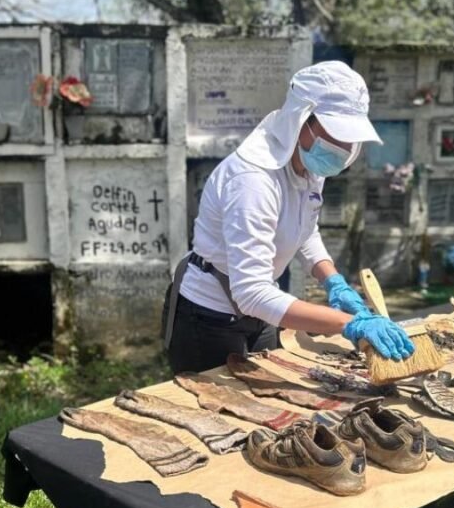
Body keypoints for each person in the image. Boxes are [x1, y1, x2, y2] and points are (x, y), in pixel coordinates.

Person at [163, 61, 416, 373]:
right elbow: (252, 292)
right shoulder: (253, 179)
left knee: (273, 399)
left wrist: (333, 281)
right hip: (208, 315)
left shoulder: (308, 167)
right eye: (337, 133)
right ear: (300, 120)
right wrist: (350, 324)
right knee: (220, 413)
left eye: (352, 138)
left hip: (260, 308)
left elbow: (305, 231)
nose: (346, 147)